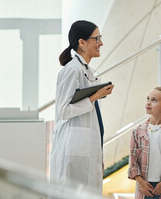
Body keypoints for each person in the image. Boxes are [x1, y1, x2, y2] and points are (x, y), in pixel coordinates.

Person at [50, 20, 114, 194]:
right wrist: (94, 97)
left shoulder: (86, 70)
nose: (101, 43)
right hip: (74, 148)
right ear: (81, 42)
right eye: (97, 38)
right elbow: (63, 111)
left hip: (86, 148)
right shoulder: (71, 70)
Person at [128, 87, 161, 199]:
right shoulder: (137, 131)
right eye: (148, 99)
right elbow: (133, 162)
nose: (148, 103)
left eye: (154, 100)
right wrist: (140, 182)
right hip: (144, 187)